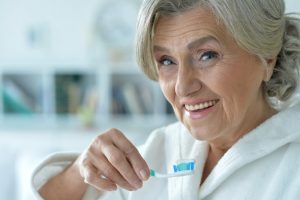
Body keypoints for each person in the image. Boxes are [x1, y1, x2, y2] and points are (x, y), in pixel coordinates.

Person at [31, 0, 300, 199]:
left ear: (267, 57)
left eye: (207, 55)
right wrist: (82, 168)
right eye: (166, 61)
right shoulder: (158, 151)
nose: (182, 86)